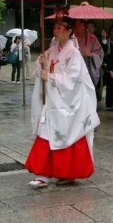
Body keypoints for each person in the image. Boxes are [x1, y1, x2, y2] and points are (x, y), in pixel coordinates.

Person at [25, 17, 100, 188]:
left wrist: (50, 77)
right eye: (55, 28)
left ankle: (67, 173)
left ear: (68, 31)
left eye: (60, 28)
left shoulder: (74, 53)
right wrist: (41, 65)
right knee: (45, 133)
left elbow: (74, 80)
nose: (56, 31)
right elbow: (39, 72)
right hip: (51, 102)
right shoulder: (51, 51)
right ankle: (42, 174)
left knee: (68, 135)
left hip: (68, 103)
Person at [73, 19, 104, 87]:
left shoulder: (92, 38)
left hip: (88, 70)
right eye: (76, 24)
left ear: (85, 26)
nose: (77, 26)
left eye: (80, 24)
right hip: (73, 70)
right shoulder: (71, 37)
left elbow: (100, 54)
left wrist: (90, 54)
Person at [103, 25, 113, 111]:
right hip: (109, 65)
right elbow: (104, 51)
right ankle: (109, 104)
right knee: (109, 85)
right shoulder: (107, 42)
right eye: (111, 32)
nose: (112, 33)